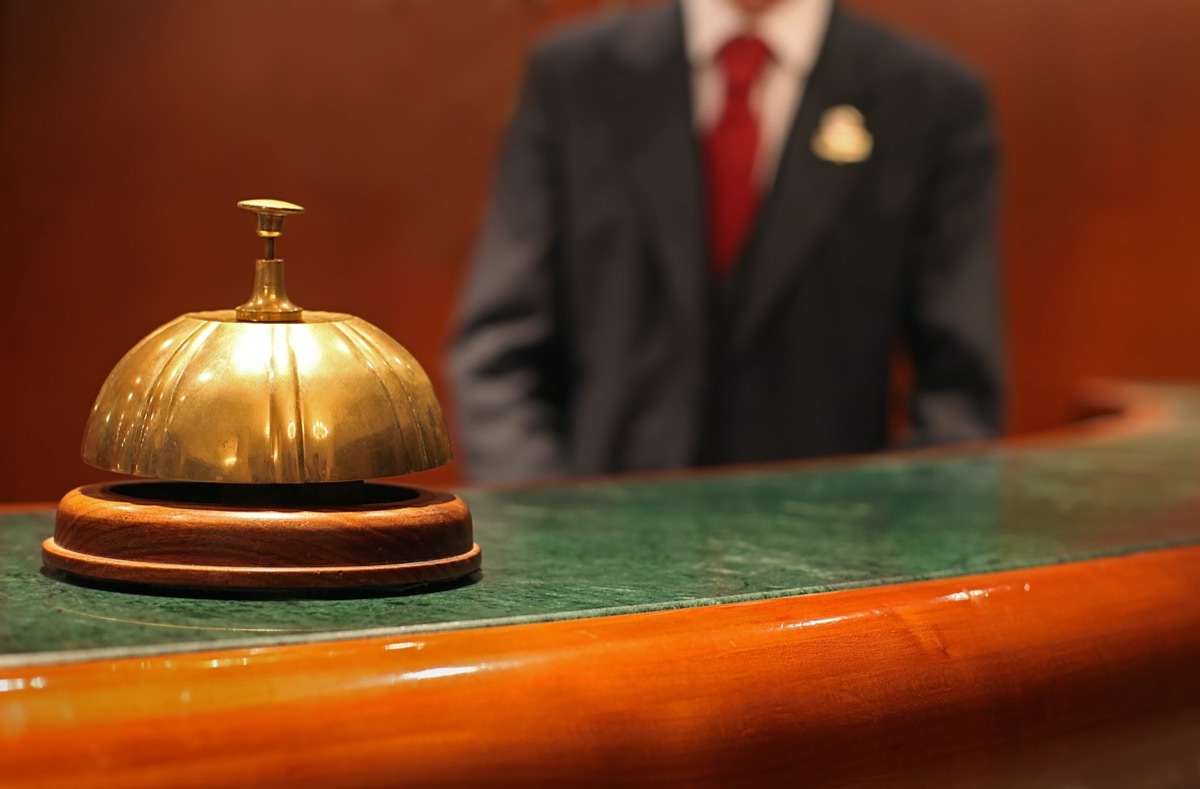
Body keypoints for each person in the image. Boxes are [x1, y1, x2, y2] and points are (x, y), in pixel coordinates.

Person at [449, 0, 1004, 482]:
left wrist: (890, 562)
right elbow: (497, 351)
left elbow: (960, 396)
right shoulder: (573, 77)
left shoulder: (930, 99)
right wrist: (552, 534)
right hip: (600, 552)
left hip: (830, 564)